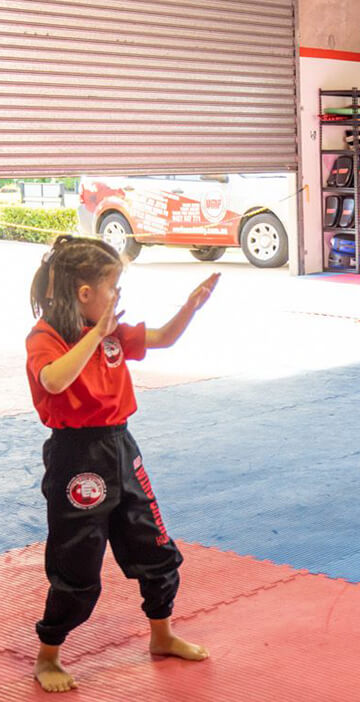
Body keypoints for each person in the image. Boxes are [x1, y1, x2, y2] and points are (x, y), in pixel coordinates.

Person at [25, 235, 217, 693]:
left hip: (121, 447)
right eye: (112, 288)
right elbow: (54, 380)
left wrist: (191, 306)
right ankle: (47, 656)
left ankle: (162, 635)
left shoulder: (110, 330)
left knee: (155, 547)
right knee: (78, 566)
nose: (117, 298)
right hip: (77, 459)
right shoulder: (45, 337)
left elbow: (163, 337)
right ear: (85, 293)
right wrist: (95, 334)